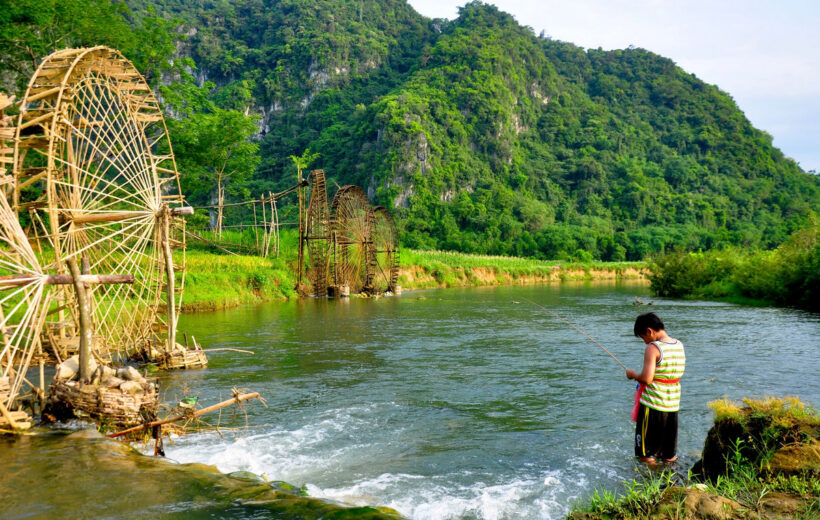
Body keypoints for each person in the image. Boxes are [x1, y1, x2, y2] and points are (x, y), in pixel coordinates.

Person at [626, 312, 685, 463]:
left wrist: (633, 374)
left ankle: (648, 483)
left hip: (652, 406)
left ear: (649, 331)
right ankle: (670, 483)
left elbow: (647, 378)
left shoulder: (653, 348)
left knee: (646, 454)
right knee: (669, 455)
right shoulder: (679, 345)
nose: (645, 342)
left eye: (643, 337)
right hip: (672, 406)